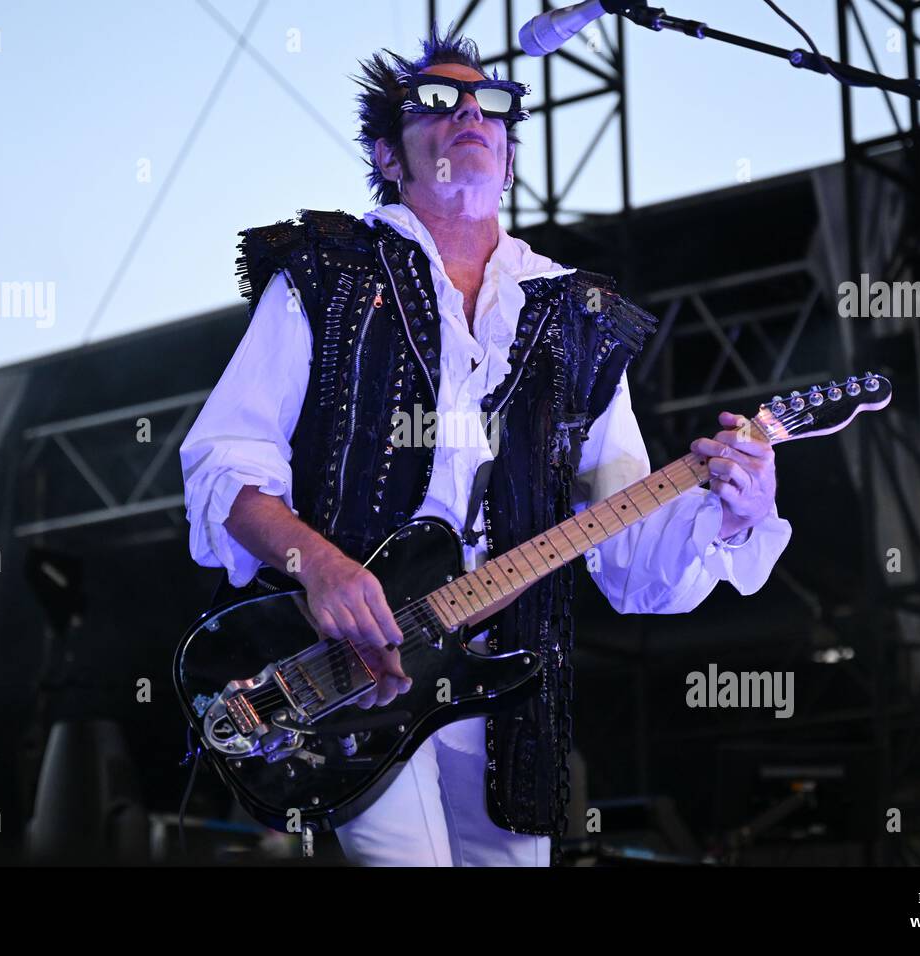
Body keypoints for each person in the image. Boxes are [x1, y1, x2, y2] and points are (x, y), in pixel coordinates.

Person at [179, 26, 792, 867]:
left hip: (505, 679)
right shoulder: (326, 274)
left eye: (492, 103)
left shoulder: (578, 319)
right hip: (355, 665)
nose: (471, 109)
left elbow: (626, 549)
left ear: (506, 160)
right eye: (436, 99)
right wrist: (318, 565)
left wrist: (732, 515)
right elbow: (227, 459)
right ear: (388, 156)